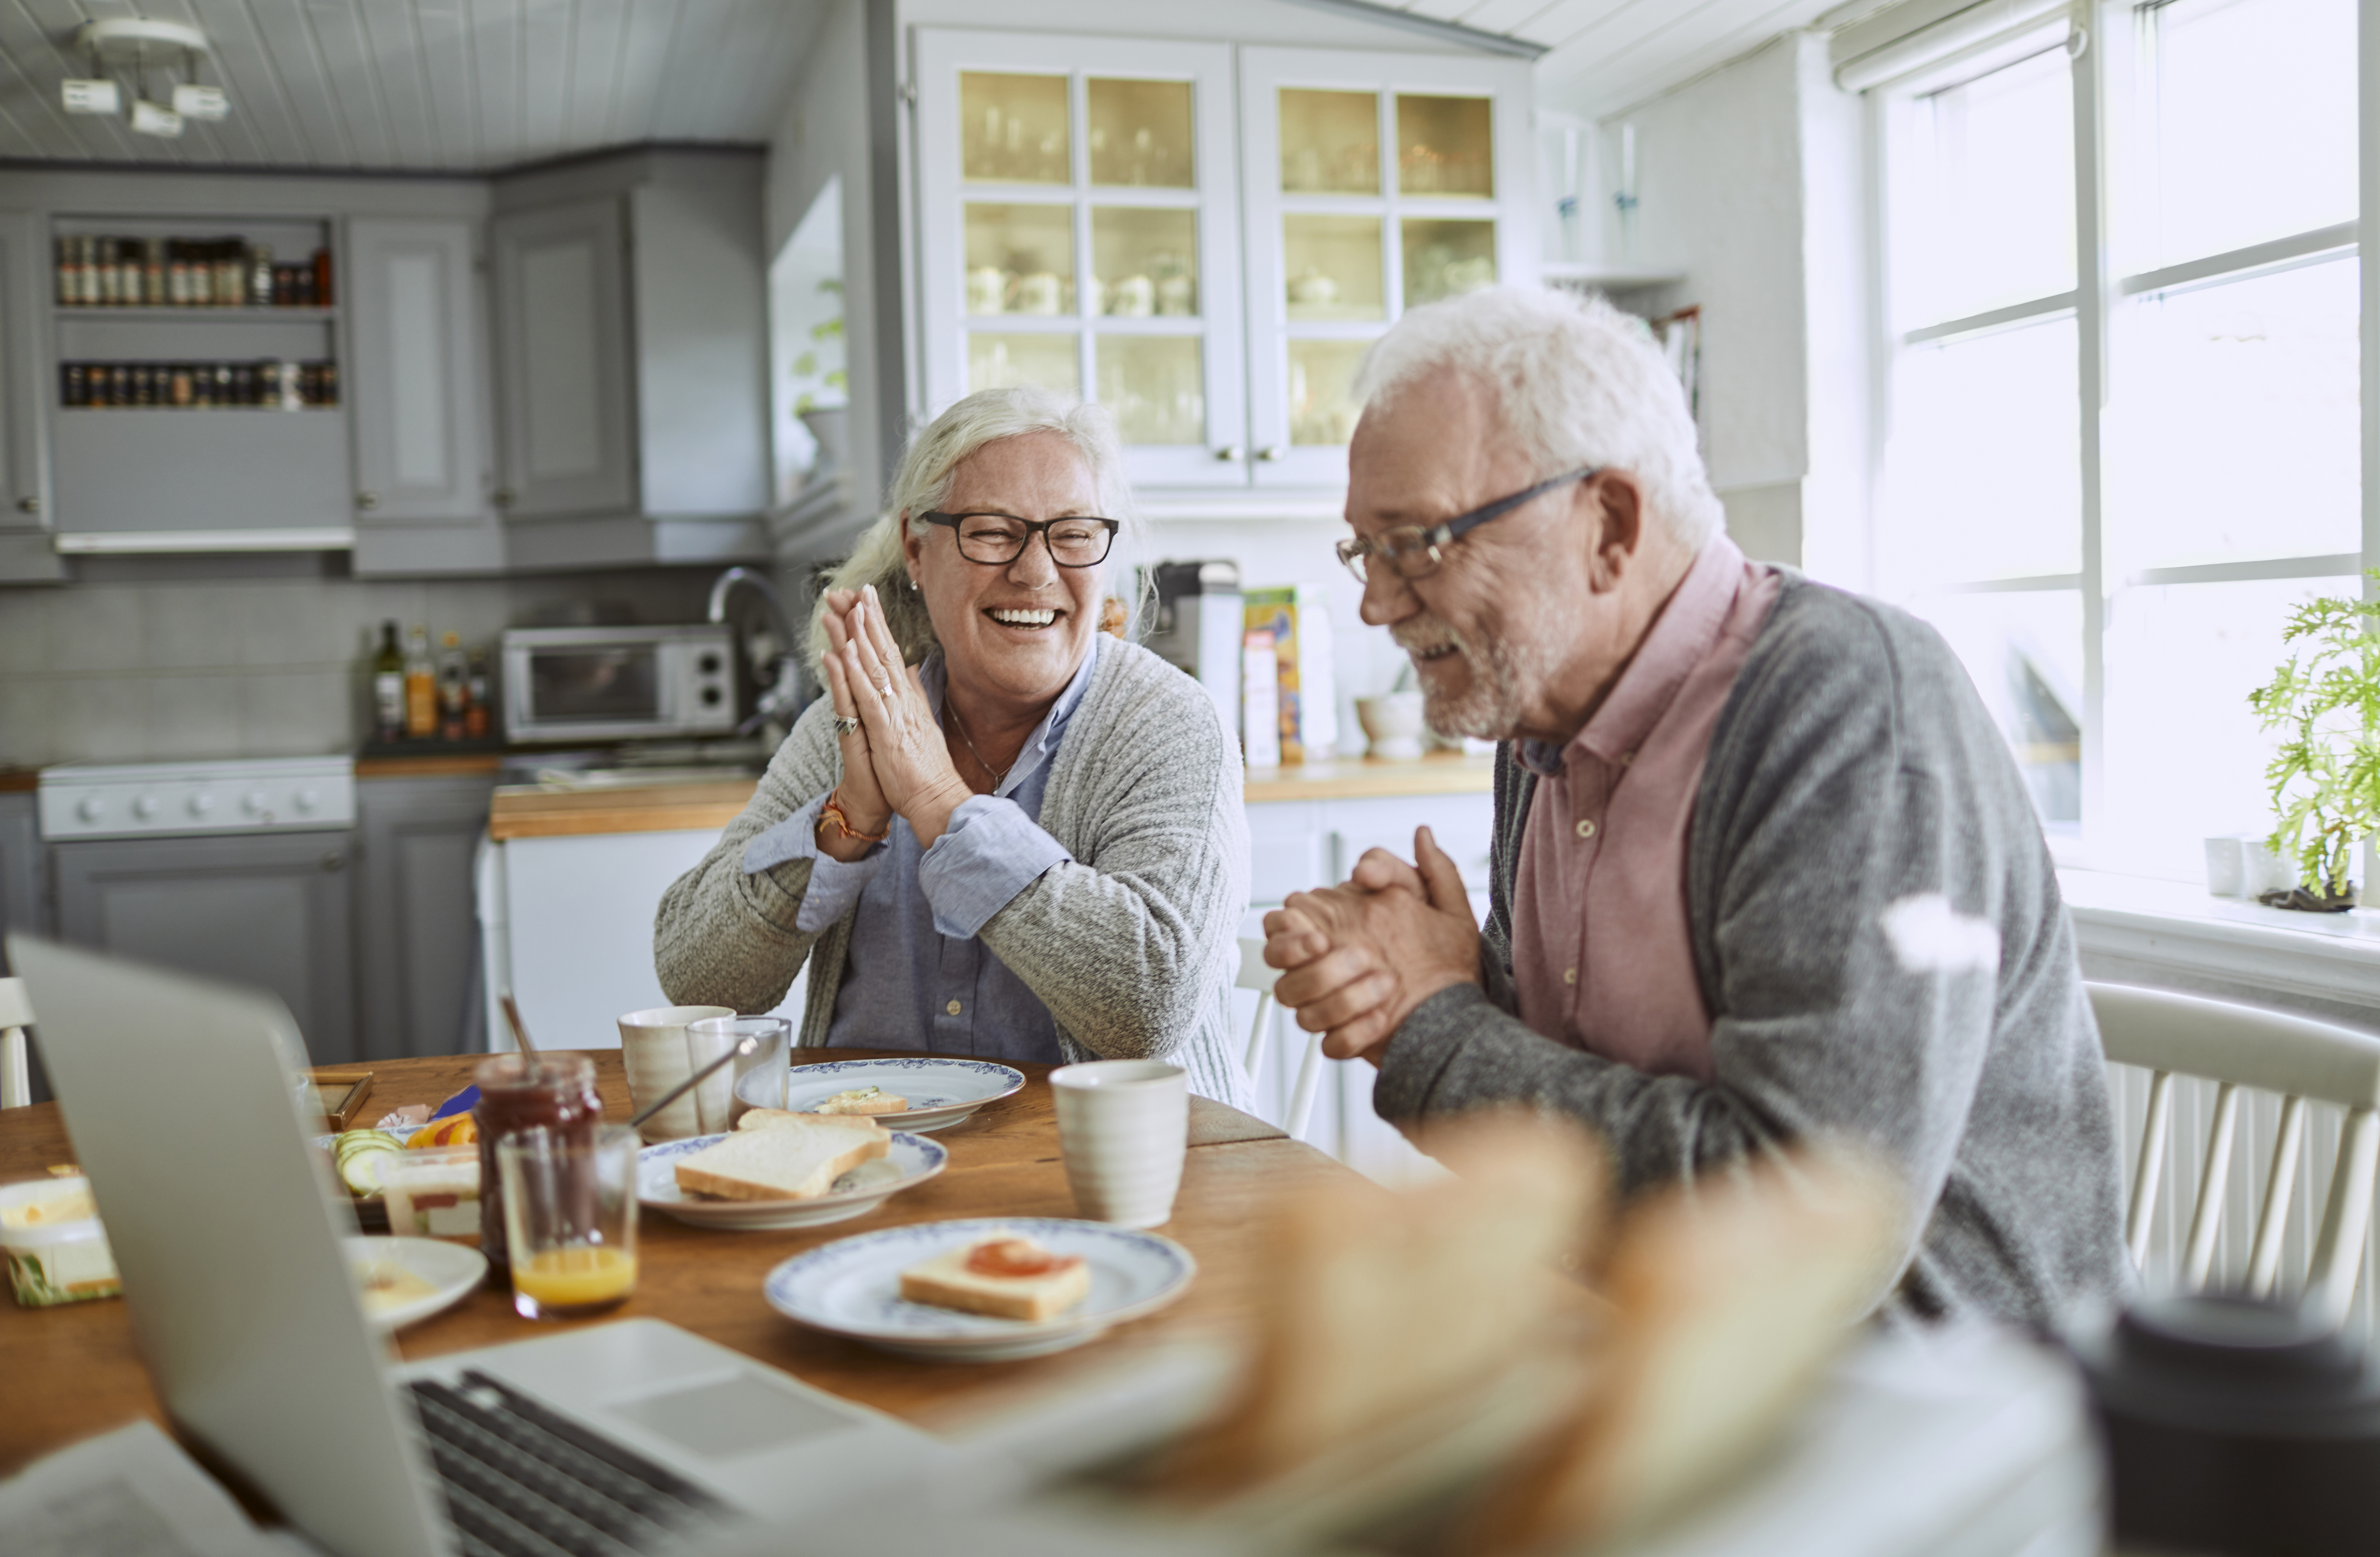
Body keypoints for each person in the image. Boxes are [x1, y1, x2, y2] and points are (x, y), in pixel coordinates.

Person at [1263, 286, 2128, 1326]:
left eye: (1419, 544)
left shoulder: (1847, 706)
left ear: (1609, 525)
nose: (1377, 602)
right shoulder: (1539, 722)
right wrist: (1447, 978)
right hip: (1646, 1361)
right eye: (1367, 550)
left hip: (1919, 1422)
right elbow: (1592, 1078)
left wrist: (1437, 1023)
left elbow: (1797, 1219)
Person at [656, 387, 1251, 1105]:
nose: (1036, 572)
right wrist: (847, 821)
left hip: (1115, 1182)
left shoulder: (1168, 721)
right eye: (994, 531)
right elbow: (695, 980)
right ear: (916, 545)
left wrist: (939, 804)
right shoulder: (852, 723)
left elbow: (1150, 1004)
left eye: (1072, 533)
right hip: (875, 1166)